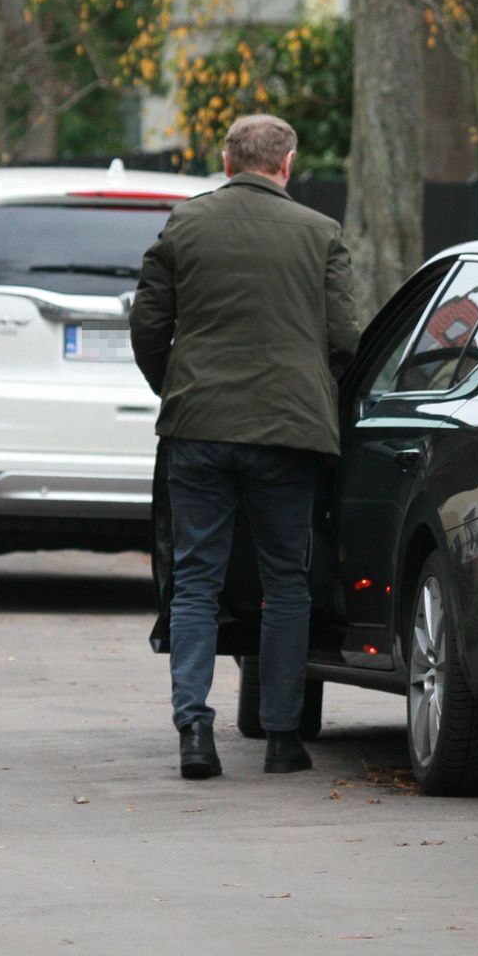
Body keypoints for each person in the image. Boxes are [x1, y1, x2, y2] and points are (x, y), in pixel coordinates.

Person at [129, 114, 359, 780]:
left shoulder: (185, 225)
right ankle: (283, 737)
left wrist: (176, 386)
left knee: (196, 577)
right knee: (286, 580)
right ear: (285, 165)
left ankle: (194, 732)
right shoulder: (321, 235)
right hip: (287, 431)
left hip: (198, 426)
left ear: (228, 162)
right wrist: (318, 396)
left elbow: (149, 323)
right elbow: (343, 338)